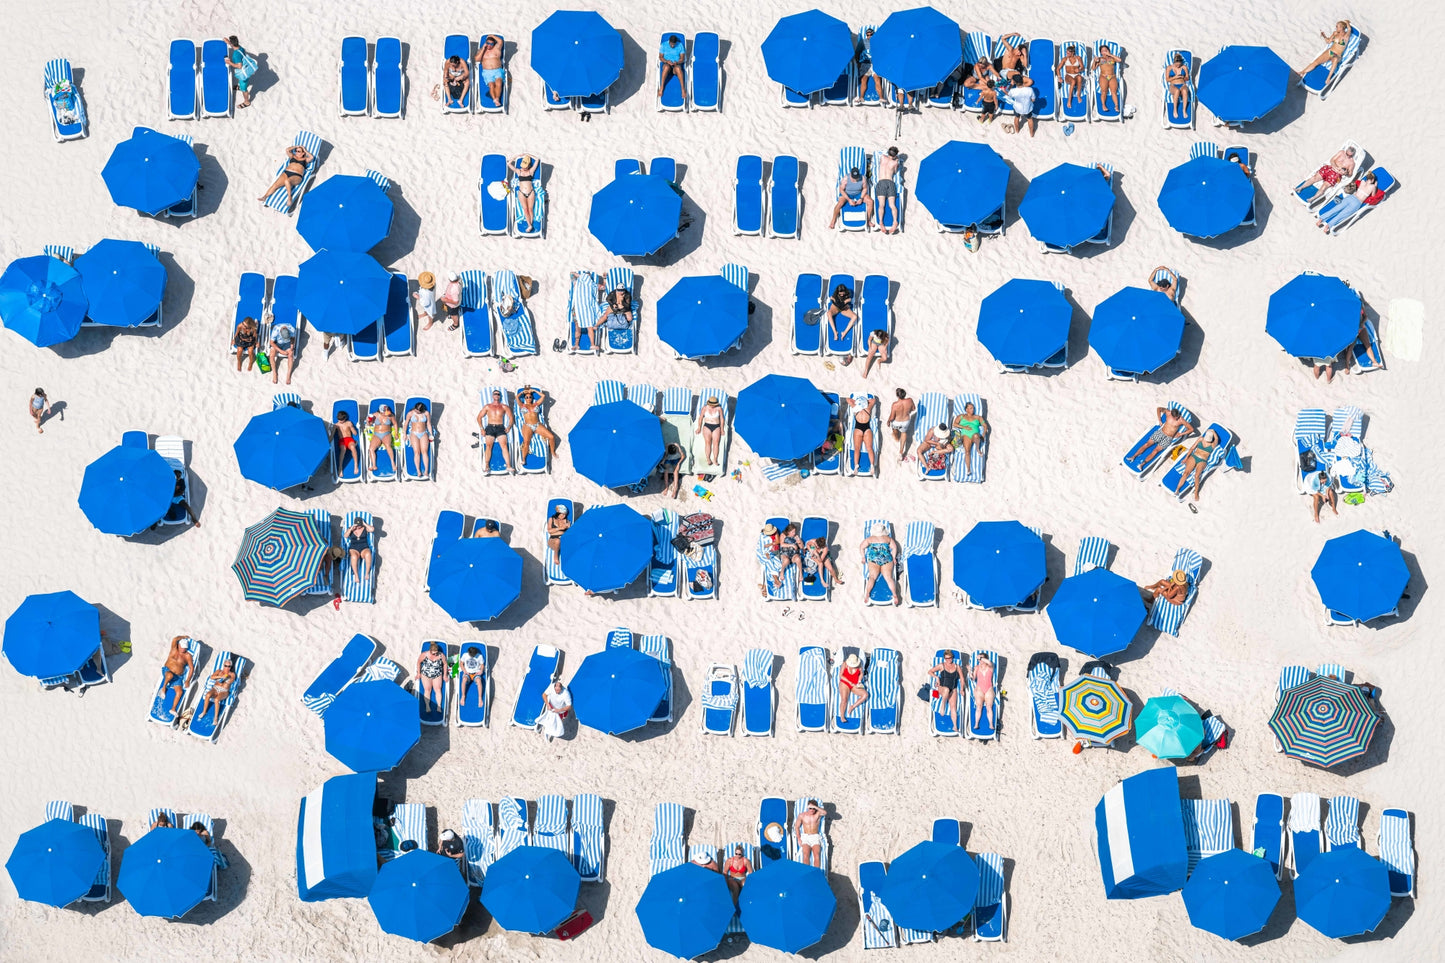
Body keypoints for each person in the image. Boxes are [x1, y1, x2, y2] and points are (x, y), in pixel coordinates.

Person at [1127, 406, 1194, 464]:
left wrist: (1181, 434)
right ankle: (1133, 457)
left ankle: (1142, 464)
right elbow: (1159, 408)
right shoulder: (1168, 413)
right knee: (1146, 444)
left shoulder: (1181, 420)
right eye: (1176, 418)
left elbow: (1191, 429)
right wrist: (1159, 419)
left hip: (1168, 438)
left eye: (1178, 417)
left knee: (1155, 451)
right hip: (1161, 432)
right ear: (1172, 415)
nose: (1177, 418)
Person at [256, 143, 314, 210]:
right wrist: (296, 146)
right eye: (296, 151)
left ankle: (289, 198)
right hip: (286, 173)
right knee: (275, 185)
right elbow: (287, 150)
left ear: (303, 153)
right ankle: (265, 197)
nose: (296, 152)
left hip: (297, 176)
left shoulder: (305, 159)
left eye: (299, 151)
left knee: (287, 181)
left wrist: (304, 150)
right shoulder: (293, 156)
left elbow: (311, 157)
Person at [1298, 20, 1353, 86]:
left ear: (1342, 27)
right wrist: (1324, 36)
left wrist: (1347, 23)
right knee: (1316, 62)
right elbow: (1328, 41)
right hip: (1330, 52)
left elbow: (1349, 29)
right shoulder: (1335, 33)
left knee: (1335, 60)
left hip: (1337, 55)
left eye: (1337, 26)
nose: (1336, 28)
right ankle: (1302, 72)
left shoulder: (1346, 36)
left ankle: (1328, 78)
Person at [860, 523, 900, 604]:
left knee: (872, 577)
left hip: (874, 559)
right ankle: (894, 594)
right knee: (889, 578)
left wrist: (863, 557)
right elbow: (894, 547)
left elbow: (861, 547)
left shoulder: (870, 539)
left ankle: (867, 594)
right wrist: (893, 557)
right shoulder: (888, 538)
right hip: (886, 559)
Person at [1173, 429, 1219, 501]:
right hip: (1194, 457)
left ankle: (1196, 493)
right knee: (1186, 473)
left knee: (1197, 476)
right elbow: (1192, 448)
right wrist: (1186, 458)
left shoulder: (1213, 444)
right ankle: (1177, 489)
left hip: (1203, 461)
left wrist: (1213, 431)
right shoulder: (1201, 438)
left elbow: (1216, 438)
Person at [517, 386, 558, 462]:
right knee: (526, 442)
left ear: (532, 398)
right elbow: (517, 397)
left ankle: (553, 452)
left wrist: (534, 391)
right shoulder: (522, 405)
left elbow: (543, 396)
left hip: (537, 424)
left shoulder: (536, 404)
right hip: (527, 426)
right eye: (527, 397)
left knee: (551, 437)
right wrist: (523, 392)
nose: (528, 398)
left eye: (530, 397)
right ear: (525, 399)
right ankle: (523, 459)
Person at [760, 522, 803, 593]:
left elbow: (801, 547)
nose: (794, 533)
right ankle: (782, 571)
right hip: (785, 553)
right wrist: (792, 545)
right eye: (793, 532)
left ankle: (801, 573)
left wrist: (799, 541)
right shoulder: (783, 535)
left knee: (798, 559)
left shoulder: (796, 536)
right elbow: (782, 544)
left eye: (795, 531)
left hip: (794, 554)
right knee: (786, 560)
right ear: (788, 532)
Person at [477, 390, 513, 473]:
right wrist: (482, 429)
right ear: (492, 396)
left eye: (498, 394)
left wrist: (509, 426)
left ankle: (508, 466)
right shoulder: (488, 406)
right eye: (495, 394)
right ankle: (486, 465)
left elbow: (511, 417)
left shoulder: (504, 406)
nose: (496, 395)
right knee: (489, 446)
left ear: (500, 396)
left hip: (500, 427)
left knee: (504, 446)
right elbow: (479, 418)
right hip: (490, 427)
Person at [827, 166, 873, 230]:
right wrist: (849, 200)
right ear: (850, 174)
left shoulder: (862, 178)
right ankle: (833, 220)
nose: (855, 180)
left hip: (858, 193)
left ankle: (867, 220)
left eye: (856, 178)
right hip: (847, 194)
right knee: (840, 203)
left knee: (870, 201)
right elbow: (841, 190)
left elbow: (865, 189)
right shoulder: (845, 179)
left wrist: (861, 198)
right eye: (853, 178)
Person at [195, 655, 236, 722]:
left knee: (216, 700)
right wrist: (220, 676)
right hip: (215, 688)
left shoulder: (232, 674)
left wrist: (226, 678)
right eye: (226, 666)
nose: (227, 668)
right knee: (208, 695)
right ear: (223, 665)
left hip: (224, 691)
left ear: (231, 667)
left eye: (229, 666)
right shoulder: (219, 671)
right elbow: (212, 677)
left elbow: (231, 681)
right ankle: (204, 712)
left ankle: (216, 718)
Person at [591, 286, 633, 351]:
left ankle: (623, 323)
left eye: (622, 290)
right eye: (619, 290)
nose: (620, 292)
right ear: (616, 290)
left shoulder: (627, 295)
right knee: (605, 316)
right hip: (614, 307)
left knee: (630, 318)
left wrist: (621, 303)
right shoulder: (613, 293)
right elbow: (608, 299)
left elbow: (627, 306)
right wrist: (613, 304)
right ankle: (596, 325)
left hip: (624, 308)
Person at [928, 650, 962, 729]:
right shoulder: (941, 665)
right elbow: (930, 671)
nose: (948, 660)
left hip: (953, 689)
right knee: (946, 689)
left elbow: (962, 678)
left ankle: (955, 726)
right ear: (944, 658)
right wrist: (936, 677)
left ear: (952, 657)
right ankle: (943, 704)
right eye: (946, 658)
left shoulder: (957, 666)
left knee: (953, 707)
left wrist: (962, 689)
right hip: (942, 688)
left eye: (950, 658)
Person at [508, 155, 540, 232]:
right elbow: (509, 164)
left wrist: (528, 154)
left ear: (528, 165)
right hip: (521, 193)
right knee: (525, 210)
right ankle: (530, 225)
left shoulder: (531, 171)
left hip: (530, 192)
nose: (523, 167)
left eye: (525, 166)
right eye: (522, 166)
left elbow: (537, 160)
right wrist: (517, 156)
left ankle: (530, 224)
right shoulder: (519, 171)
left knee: (530, 209)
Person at [950, 401, 989, 465]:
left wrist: (983, 434)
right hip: (965, 435)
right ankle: (968, 470)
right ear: (966, 409)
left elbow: (985, 426)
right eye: (970, 408)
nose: (972, 409)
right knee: (967, 452)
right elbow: (954, 424)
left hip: (975, 434)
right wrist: (964, 427)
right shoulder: (961, 416)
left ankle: (978, 449)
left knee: (976, 436)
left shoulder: (978, 417)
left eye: (973, 408)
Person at [826, 283, 859, 359]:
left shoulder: (848, 294)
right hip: (835, 307)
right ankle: (835, 332)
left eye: (842, 293)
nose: (841, 295)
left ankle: (844, 332)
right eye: (840, 294)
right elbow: (835, 302)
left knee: (854, 316)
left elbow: (841, 303)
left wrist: (844, 302)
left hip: (844, 309)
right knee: (828, 313)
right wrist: (843, 302)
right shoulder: (835, 294)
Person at [159, 636, 195, 703]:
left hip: (178, 677)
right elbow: (175, 639)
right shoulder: (174, 650)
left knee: (180, 692)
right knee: (170, 675)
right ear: (178, 645)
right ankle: (163, 688)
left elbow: (191, 668)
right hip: (167, 671)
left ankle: (173, 709)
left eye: (185, 648)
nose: (183, 649)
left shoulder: (188, 656)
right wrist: (184, 636)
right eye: (182, 647)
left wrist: (188, 680)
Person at [874, 147, 901, 233]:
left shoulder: (882, 157)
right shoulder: (895, 162)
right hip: (890, 182)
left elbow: (880, 159)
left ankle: (881, 222)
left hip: (881, 182)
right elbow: (895, 172)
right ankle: (895, 222)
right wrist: (896, 160)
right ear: (895, 155)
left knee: (881, 205)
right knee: (892, 205)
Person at [849, 395, 877, 473]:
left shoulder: (855, 408)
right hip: (867, 429)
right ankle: (872, 466)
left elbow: (848, 399)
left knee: (857, 448)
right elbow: (873, 400)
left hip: (858, 429)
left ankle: (856, 466)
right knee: (869, 448)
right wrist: (867, 402)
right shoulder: (868, 408)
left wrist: (856, 403)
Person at [226, 36, 257, 108]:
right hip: (247, 68)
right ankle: (240, 87)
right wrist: (228, 42)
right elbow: (234, 46)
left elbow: (239, 66)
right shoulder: (240, 48)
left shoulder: (236, 55)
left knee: (244, 89)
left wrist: (230, 63)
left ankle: (247, 102)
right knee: (243, 82)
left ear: (232, 44)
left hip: (243, 73)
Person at [696, 395, 725, 467]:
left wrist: (722, 429)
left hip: (716, 426)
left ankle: (715, 459)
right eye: (711, 405)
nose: (712, 406)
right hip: (707, 426)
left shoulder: (719, 408)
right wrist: (699, 427)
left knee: (716, 443)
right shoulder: (705, 408)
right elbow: (700, 418)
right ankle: (708, 458)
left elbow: (722, 419)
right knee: (708, 442)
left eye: (713, 405)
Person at [794, 800, 825, 868]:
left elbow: (825, 812)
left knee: (816, 855)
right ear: (808, 807)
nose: (812, 810)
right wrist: (799, 838)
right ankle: (807, 872)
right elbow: (797, 827)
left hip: (815, 836)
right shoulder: (802, 815)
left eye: (813, 808)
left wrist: (815, 807)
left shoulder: (818, 814)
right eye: (810, 808)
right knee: (805, 855)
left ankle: (816, 873)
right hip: (806, 837)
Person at [475, 35, 505, 105]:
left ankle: (497, 98)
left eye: (491, 44)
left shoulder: (496, 48)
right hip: (487, 71)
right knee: (491, 85)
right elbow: (477, 59)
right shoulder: (481, 50)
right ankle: (494, 99)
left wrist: (491, 35)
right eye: (488, 43)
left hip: (497, 70)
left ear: (494, 44)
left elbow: (500, 41)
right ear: (485, 43)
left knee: (499, 83)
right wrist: (483, 49)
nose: (489, 45)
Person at [405, 402, 433, 477]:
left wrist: (431, 434)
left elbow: (428, 424)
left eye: (419, 412)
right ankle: (418, 471)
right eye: (416, 411)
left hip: (423, 433)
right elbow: (406, 424)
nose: (417, 412)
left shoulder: (426, 413)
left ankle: (426, 471)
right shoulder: (410, 413)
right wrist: (404, 434)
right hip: (414, 433)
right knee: (416, 452)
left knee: (424, 452)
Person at [658, 34, 688, 103]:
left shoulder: (680, 45)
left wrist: (677, 62)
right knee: (666, 67)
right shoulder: (663, 45)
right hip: (667, 64)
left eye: (674, 44)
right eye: (671, 44)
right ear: (669, 42)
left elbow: (682, 58)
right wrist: (666, 61)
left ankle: (683, 89)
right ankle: (662, 87)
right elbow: (660, 57)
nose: (672, 46)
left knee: (678, 69)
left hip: (675, 65)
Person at [887, 388, 915, 461]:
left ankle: (896, 437)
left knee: (895, 430)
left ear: (897, 396)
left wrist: (888, 421)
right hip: (906, 421)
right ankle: (901, 451)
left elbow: (892, 417)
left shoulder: (895, 405)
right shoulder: (910, 400)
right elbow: (913, 409)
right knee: (903, 433)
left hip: (897, 421)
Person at [416, 642, 447, 707]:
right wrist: (418, 673)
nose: (435, 654)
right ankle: (427, 706)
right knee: (427, 689)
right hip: (426, 674)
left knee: (438, 689)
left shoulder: (441, 655)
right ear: (430, 651)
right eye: (433, 653)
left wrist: (445, 675)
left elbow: (445, 664)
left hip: (437, 674)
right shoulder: (424, 654)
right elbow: (418, 662)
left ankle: (439, 706)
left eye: (436, 653)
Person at [970, 653, 996, 730]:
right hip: (979, 689)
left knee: (989, 707)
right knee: (979, 706)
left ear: (985, 659)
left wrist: (981, 658)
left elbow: (990, 662)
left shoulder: (990, 667)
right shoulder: (976, 667)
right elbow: (973, 678)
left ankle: (991, 724)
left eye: (981, 659)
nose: (979, 660)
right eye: (978, 659)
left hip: (989, 689)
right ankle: (976, 723)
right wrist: (969, 672)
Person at [367, 403, 396, 474]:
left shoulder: (390, 415)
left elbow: (395, 424)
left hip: (386, 433)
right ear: (380, 411)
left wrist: (396, 433)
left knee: (388, 446)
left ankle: (393, 463)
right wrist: (369, 421)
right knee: (371, 449)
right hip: (377, 434)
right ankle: (374, 465)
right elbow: (369, 424)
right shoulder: (375, 415)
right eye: (383, 412)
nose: (384, 413)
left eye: (385, 411)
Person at [343, 516, 373, 583]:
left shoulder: (365, 528)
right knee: (354, 557)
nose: (358, 527)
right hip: (354, 548)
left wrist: (364, 524)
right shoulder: (351, 529)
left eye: (360, 525)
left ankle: (367, 573)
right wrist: (351, 529)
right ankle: (356, 575)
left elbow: (372, 529)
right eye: (357, 525)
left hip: (364, 547)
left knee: (368, 554)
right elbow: (345, 536)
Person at [1094, 44, 1122, 112]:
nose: (1104, 52)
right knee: (1104, 91)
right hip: (1103, 76)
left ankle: (1116, 106)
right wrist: (1095, 61)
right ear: (1101, 52)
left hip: (1112, 76)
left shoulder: (1112, 58)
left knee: (1114, 92)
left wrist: (1110, 55)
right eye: (1103, 51)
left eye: (1106, 50)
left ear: (1108, 51)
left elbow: (1119, 60)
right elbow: (1093, 68)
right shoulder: (1100, 59)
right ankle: (1103, 105)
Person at [838, 653, 869, 717]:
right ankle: (842, 716)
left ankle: (852, 706)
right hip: (845, 683)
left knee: (865, 695)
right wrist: (849, 682)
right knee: (844, 699)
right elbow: (841, 675)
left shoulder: (859, 665)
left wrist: (859, 681)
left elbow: (861, 674)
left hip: (854, 684)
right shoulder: (845, 664)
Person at [268, 321, 296, 385]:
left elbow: (292, 338)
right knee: (271, 355)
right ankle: (274, 373)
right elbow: (271, 342)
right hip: (277, 343)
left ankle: (288, 374)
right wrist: (280, 351)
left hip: (287, 343)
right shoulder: (276, 330)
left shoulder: (291, 329)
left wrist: (292, 345)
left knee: (291, 354)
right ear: (280, 332)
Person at [334, 410, 359, 477]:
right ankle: (340, 468)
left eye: (341, 420)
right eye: (338, 419)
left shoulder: (348, 423)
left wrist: (352, 427)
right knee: (343, 449)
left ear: (345, 419)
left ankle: (356, 465)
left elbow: (355, 433)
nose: (340, 421)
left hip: (349, 439)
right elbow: (332, 435)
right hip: (342, 440)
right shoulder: (336, 425)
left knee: (353, 448)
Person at [857, 28, 879, 102]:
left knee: (877, 79)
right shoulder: (862, 42)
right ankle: (861, 97)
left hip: (875, 64)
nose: (869, 36)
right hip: (865, 63)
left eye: (871, 35)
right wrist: (858, 63)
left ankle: (881, 98)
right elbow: (857, 53)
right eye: (868, 35)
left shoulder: (878, 43)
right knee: (863, 80)